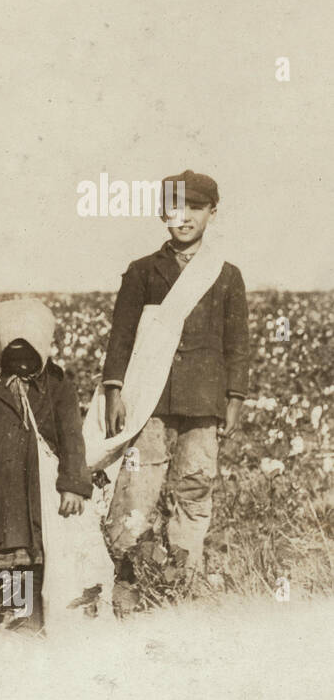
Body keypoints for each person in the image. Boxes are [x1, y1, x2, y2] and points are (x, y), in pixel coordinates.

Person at [99, 170, 249, 577]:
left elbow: (237, 342)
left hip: (203, 399)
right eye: (174, 208)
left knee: (195, 484)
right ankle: (126, 571)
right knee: (138, 484)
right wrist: (114, 391)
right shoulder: (142, 270)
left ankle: (183, 573)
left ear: (212, 213)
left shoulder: (226, 274)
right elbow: (121, 337)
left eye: (195, 208)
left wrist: (234, 397)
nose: (183, 218)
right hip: (149, 396)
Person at [0, 298, 91, 630]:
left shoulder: (56, 385)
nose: (22, 364)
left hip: (27, 491)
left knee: (21, 551)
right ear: (0, 350)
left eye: (30, 356)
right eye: (14, 356)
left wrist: (73, 484)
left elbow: (72, 438)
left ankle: (20, 621)